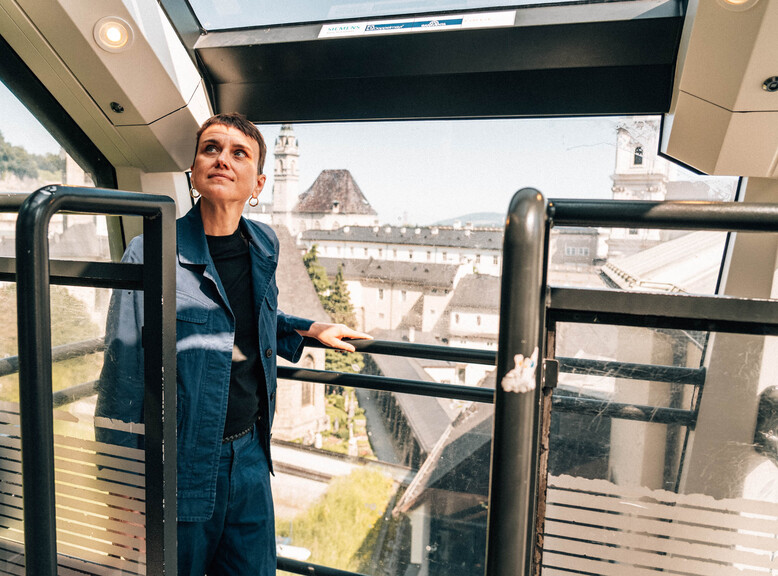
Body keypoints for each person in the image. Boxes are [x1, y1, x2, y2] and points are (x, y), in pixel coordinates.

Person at [95, 112, 371, 575]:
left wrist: (310, 329)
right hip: (181, 463)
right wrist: (122, 494)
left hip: (250, 457)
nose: (222, 158)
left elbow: (248, 318)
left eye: (238, 152)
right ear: (194, 172)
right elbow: (121, 376)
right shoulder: (150, 253)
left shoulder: (264, 242)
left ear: (258, 183)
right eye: (211, 149)